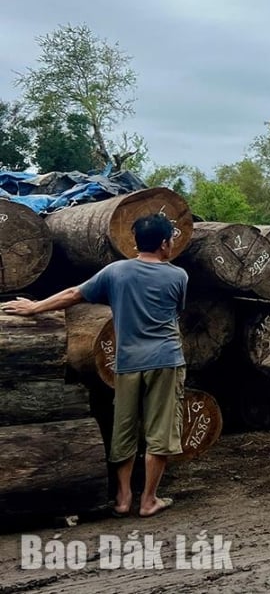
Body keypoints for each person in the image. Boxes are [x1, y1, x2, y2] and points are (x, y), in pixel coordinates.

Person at [2, 213, 188, 518]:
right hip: (165, 360)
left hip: (127, 362)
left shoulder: (115, 272)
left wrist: (35, 306)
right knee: (161, 432)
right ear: (165, 243)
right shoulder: (178, 276)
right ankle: (149, 500)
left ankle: (123, 498)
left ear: (136, 242)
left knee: (124, 428)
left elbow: (73, 294)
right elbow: (175, 311)